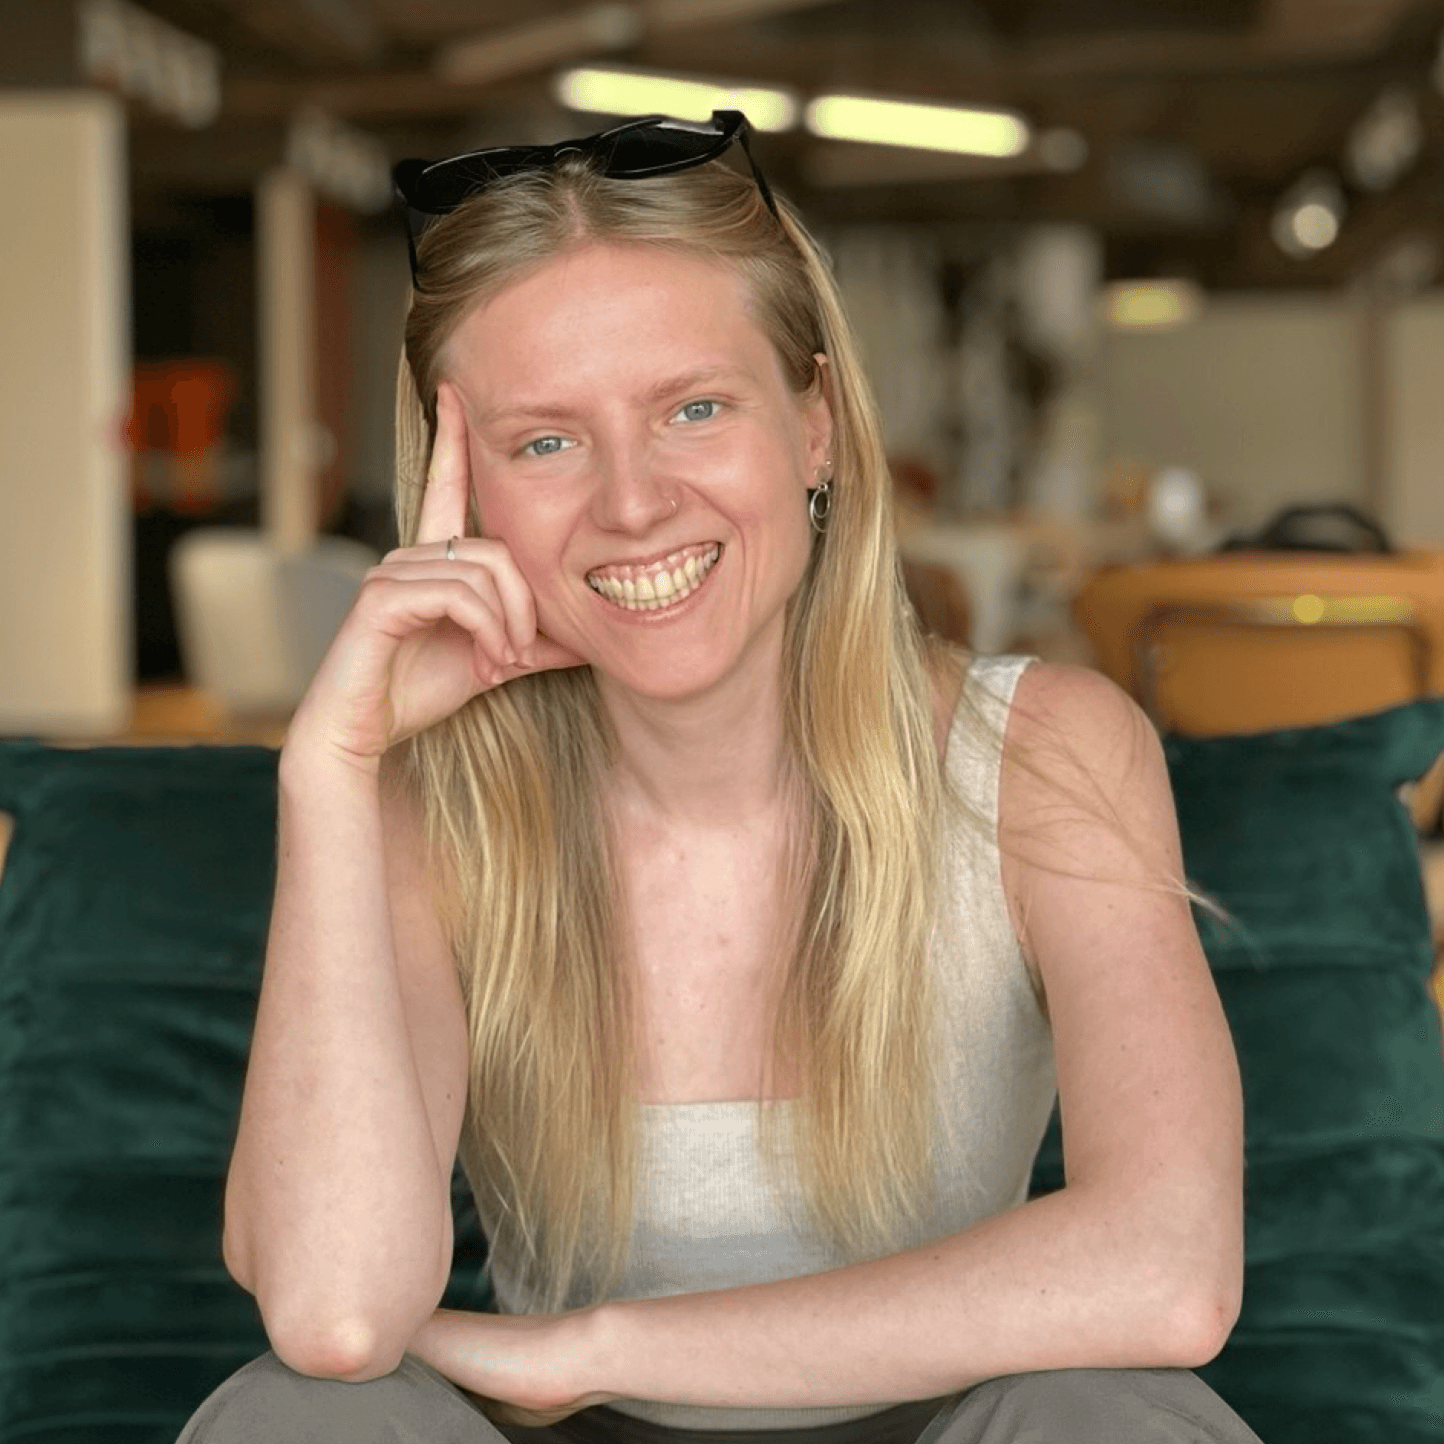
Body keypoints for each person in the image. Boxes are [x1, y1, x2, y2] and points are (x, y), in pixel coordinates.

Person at [177, 112, 1263, 1444]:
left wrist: (597, 1347)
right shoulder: (430, 810)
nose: (633, 504)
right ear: (466, 498)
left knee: (1112, 1412)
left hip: (948, 1426)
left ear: (815, 427)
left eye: (694, 409)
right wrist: (332, 770)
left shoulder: (1047, 751)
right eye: (545, 443)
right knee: (298, 1414)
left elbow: (1170, 1270)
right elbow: (336, 1316)